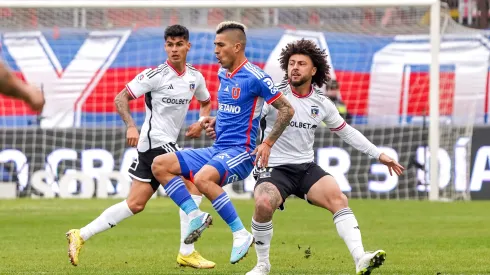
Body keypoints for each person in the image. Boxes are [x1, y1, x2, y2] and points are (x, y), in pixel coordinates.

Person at [240, 39, 404, 275]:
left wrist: (379, 154)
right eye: (291, 63)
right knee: (263, 204)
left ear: (313, 70)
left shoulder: (322, 103)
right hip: (275, 168)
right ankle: (262, 265)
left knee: (339, 198)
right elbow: (249, 119)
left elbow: (346, 131)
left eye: (301, 64)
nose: (294, 68)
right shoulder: (274, 96)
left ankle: (360, 258)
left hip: (305, 167)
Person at [65, 24, 215, 269]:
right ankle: (188, 249)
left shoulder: (194, 77)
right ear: (165, 46)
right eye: (170, 44)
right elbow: (120, 97)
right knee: (194, 179)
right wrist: (130, 126)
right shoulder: (154, 75)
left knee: (134, 204)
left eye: (179, 44)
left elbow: (206, 102)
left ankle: (80, 235)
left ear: (188, 45)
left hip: (165, 143)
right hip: (153, 141)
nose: (174, 49)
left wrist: (200, 123)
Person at [151, 21, 294, 264]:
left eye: (220, 45)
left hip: (242, 152)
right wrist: (215, 122)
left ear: (237, 47)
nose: (215, 50)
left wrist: (267, 143)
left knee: (203, 178)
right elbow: (233, 109)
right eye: (215, 45)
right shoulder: (222, 73)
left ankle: (240, 234)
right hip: (218, 149)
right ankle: (195, 214)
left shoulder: (256, 77)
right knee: (160, 165)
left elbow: (287, 110)